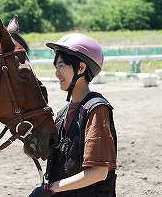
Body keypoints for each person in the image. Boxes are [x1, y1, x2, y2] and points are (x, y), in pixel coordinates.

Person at [29, 33, 117, 197]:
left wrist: (52, 189)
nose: (57, 72)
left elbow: (98, 171)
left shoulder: (97, 110)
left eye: (61, 66)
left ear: (81, 68)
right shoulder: (62, 114)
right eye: (56, 67)